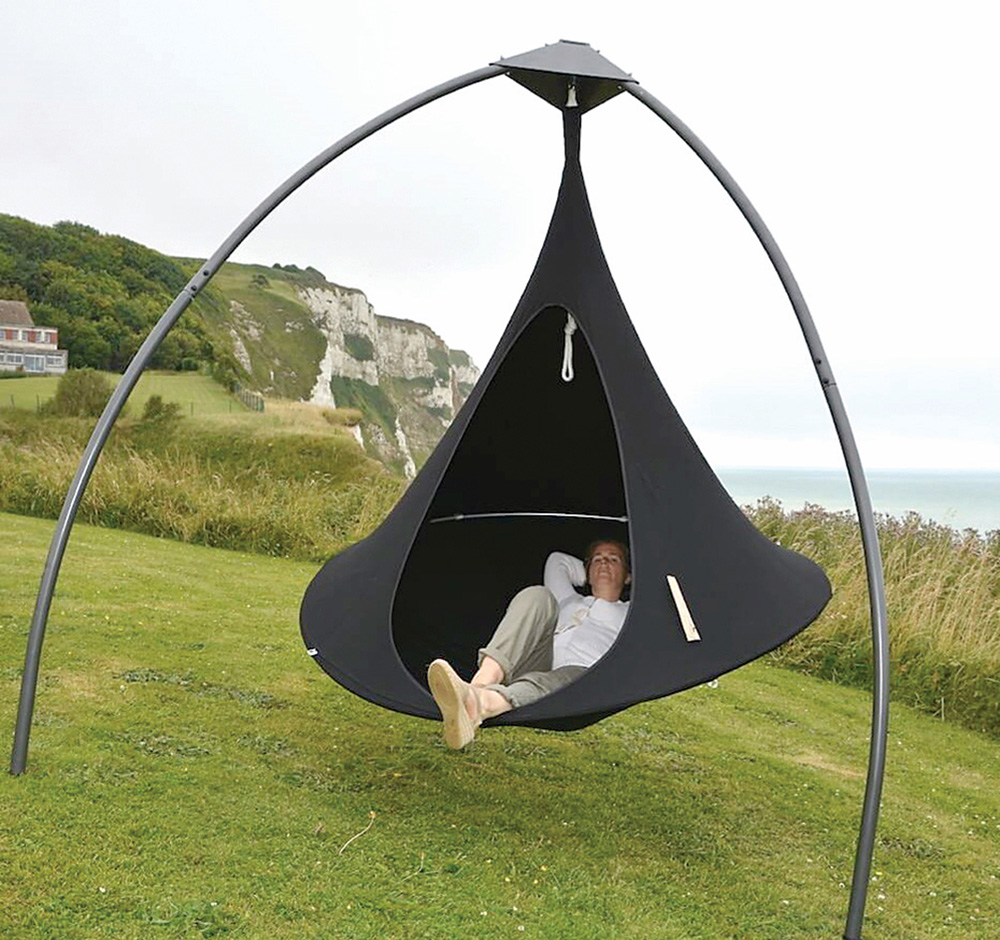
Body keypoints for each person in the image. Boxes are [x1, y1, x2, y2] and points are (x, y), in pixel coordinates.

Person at [427, 539, 630, 749]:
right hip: (535, 663)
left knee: (575, 674)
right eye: (597, 559)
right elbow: (557, 561)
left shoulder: (630, 614)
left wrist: (610, 571)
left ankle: (480, 704)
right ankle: (478, 686)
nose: (604, 563)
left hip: (580, 683)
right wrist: (589, 572)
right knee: (539, 595)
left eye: (613, 559)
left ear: (628, 576)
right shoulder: (569, 600)